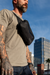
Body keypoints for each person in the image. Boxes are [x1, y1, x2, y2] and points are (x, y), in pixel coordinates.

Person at [0, 0, 33, 75]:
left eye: (27, 0)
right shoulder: (6, 13)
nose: (27, 1)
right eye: (24, 0)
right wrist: (5, 60)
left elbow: (25, 45)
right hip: (11, 66)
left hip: (25, 67)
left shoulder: (24, 22)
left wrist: (30, 64)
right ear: (15, 1)